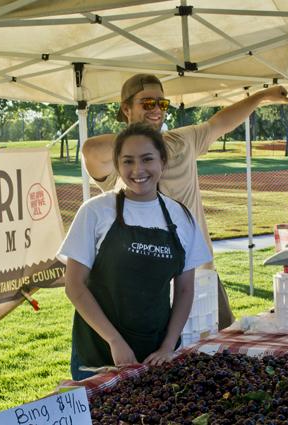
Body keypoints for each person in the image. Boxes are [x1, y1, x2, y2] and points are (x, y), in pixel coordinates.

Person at [82, 73, 288, 329]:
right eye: (147, 103)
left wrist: (262, 96)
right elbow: (90, 150)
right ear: (126, 108)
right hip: (144, 284)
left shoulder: (183, 141)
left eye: (162, 103)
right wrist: (139, 145)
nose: (157, 109)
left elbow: (220, 122)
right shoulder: (123, 159)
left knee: (222, 347)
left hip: (199, 273)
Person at [60, 123, 212, 381]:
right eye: (127, 161)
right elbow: (74, 285)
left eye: (147, 159)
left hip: (157, 357)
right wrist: (114, 340)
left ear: (162, 162)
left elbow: (185, 290)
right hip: (99, 356)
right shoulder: (95, 211)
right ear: (118, 166)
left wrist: (167, 347)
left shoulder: (182, 218)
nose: (137, 170)